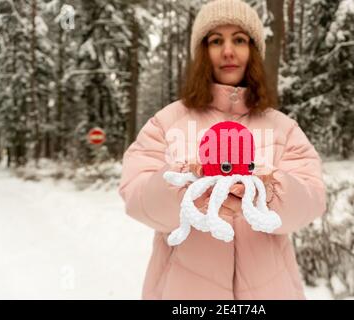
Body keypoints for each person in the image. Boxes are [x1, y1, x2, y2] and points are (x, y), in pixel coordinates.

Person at [118, 0, 327, 300]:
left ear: (253, 51)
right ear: (202, 52)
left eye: (239, 40)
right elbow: (136, 198)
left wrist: (268, 193)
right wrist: (187, 187)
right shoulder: (166, 123)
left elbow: (312, 202)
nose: (228, 51)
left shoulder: (284, 129)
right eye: (216, 40)